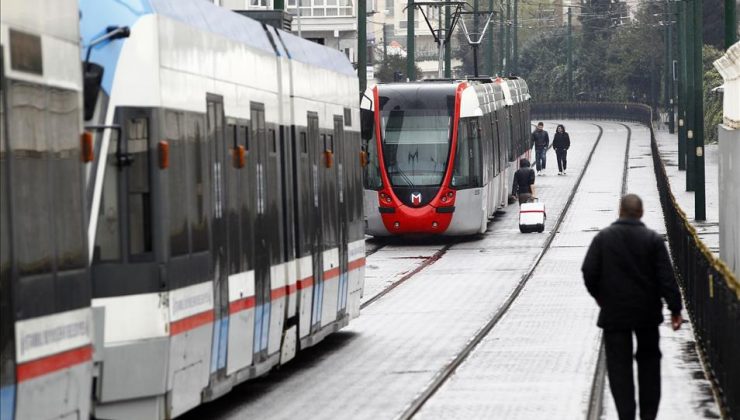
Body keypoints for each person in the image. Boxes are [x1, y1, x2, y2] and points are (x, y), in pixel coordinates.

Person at [581, 194, 683, 420]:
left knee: (619, 368)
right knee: (649, 364)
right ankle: (648, 415)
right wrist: (675, 310)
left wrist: (599, 296)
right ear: (641, 213)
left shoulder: (603, 238)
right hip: (647, 314)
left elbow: (589, 271)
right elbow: (666, 278)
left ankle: (626, 415)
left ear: (620, 211)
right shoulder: (653, 240)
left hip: (614, 314)